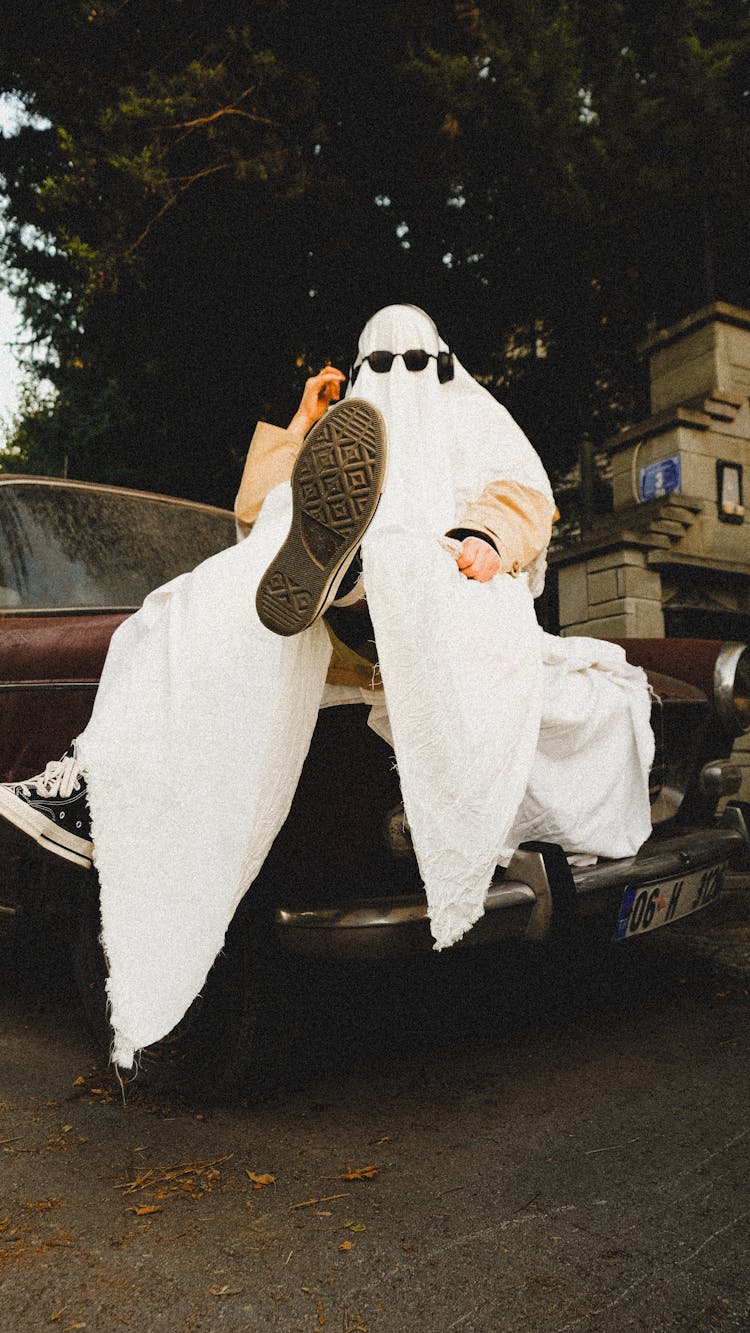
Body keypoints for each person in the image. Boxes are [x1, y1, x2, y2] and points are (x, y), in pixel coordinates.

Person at [0, 305, 654, 1069]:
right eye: (378, 364)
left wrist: (487, 539)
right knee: (169, 615)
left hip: (449, 582)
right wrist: (304, 421)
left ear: (443, 364)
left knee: (415, 563)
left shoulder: (476, 419)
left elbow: (521, 492)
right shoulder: (349, 433)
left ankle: (356, 582)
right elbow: (256, 513)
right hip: (317, 629)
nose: (395, 379)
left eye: (412, 362)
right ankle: (98, 774)